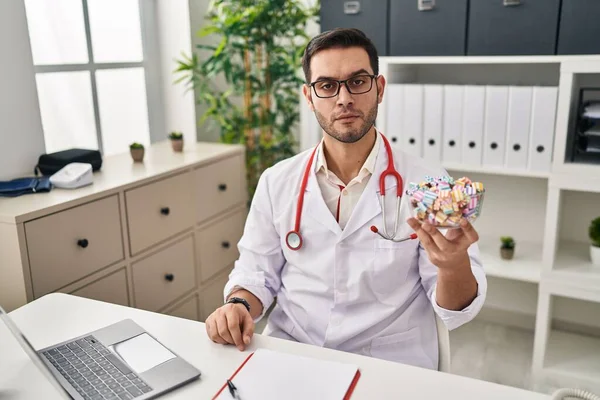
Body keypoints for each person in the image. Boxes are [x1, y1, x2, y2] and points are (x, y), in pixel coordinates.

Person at [205, 27, 487, 370]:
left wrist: (452, 265)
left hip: (389, 361)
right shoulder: (276, 181)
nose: (344, 99)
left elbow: (456, 309)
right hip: (296, 352)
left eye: (357, 82)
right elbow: (256, 273)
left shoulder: (428, 184)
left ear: (379, 89)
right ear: (309, 97)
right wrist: (238, 305)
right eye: (327, 86)